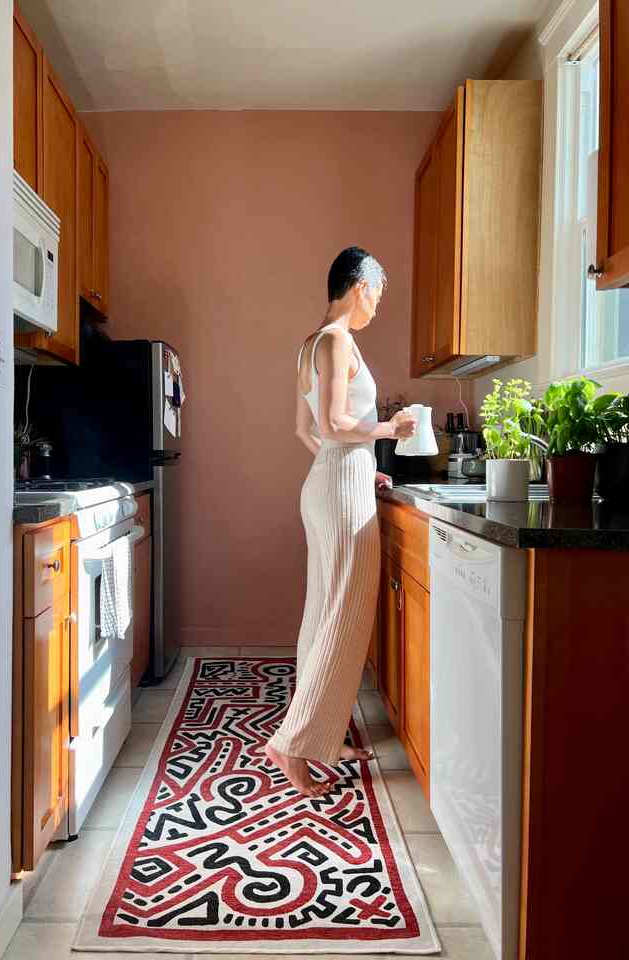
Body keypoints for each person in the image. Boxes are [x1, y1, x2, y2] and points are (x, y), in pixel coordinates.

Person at [263, 247, 417, 797]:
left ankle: (318, 738)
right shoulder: (337, 340)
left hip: (332, 484)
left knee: (323, 612)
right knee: (346, 615)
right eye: (377, 294)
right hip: (339, 491)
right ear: (361, 287)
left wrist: (355, 468)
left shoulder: (312, 344)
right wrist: (388, 431)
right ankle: (291, 744)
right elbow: (332, 421)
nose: (377, 306)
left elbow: (307, 430)